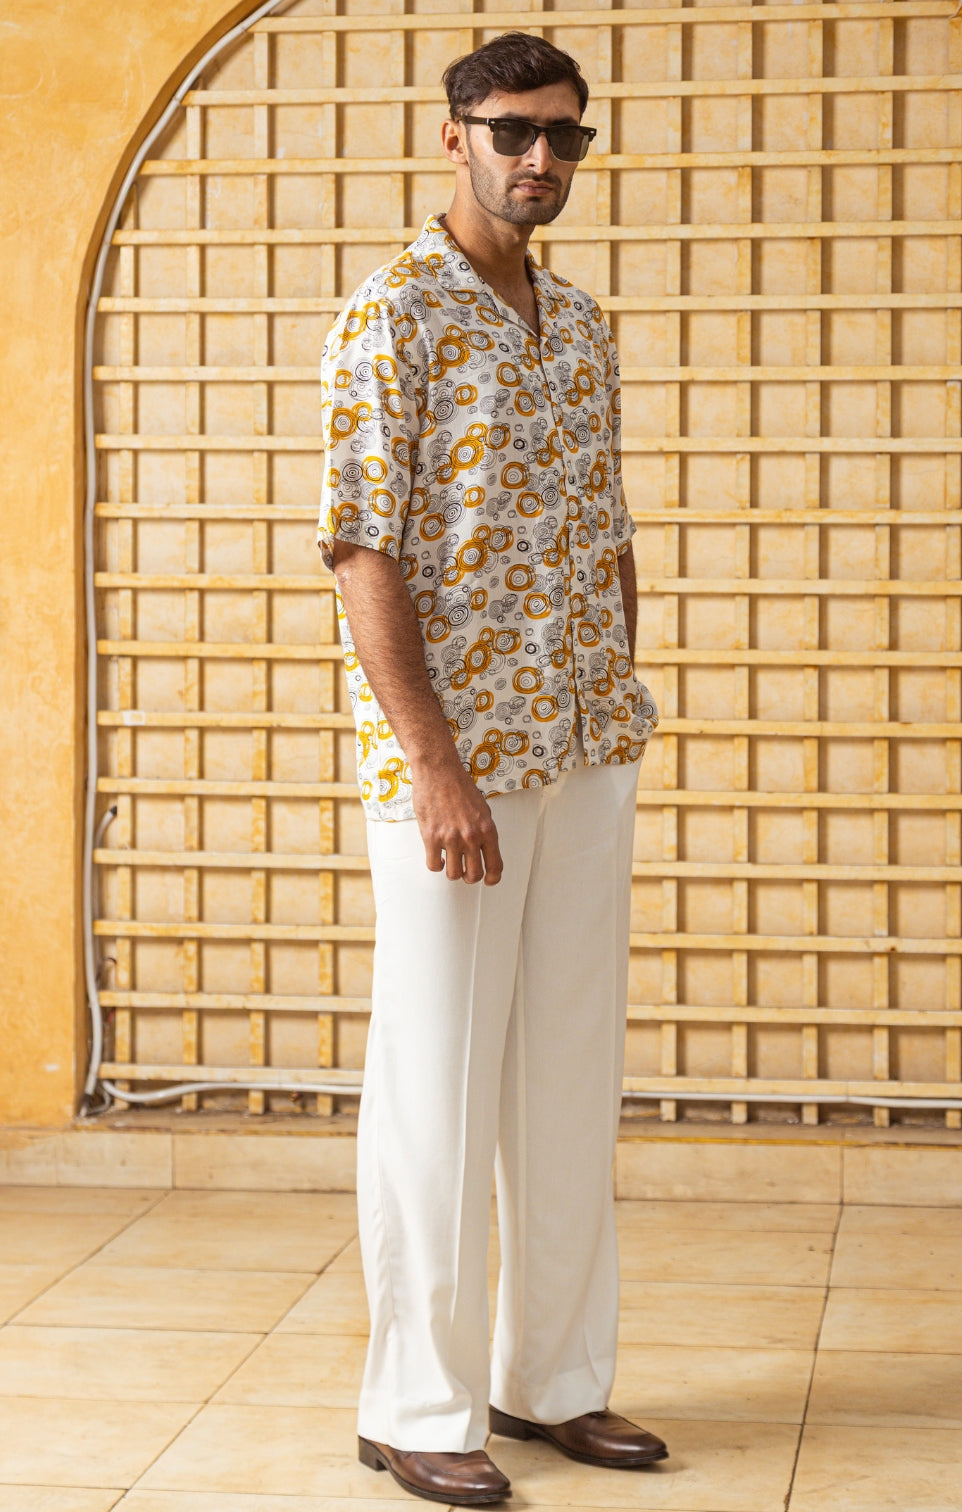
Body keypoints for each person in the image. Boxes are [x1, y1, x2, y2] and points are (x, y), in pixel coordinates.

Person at [317, 31, 666, 1508]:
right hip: (454, 767)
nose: (540, 157)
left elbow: (609, 527)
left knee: (569, 1076)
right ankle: (415, 1405)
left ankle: (552, 1382)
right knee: (439, 1086)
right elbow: (362, 550)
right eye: (513, 130)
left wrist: (619, 689)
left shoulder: (577, 324)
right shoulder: (390, 316)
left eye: (564, 136)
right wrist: (435, 768)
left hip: (586, 744)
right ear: (453, 135)